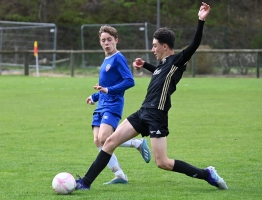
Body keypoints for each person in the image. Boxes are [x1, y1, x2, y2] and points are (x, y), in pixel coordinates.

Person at [75, 2, 228, 190]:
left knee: (162, 162)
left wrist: (200, 21)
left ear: (165, 46)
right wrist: (146, 65)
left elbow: (194, 45)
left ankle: (207, 174)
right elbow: (158, 74)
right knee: (109, 142)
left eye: (155, 46)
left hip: (157, 115)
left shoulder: (176, 61)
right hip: (143, 112)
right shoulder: (163, 65)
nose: (153, 49)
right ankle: (85, 183)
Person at [84, 25, 151, 185]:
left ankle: (137, 143)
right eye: (103, 40)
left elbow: (129, 81)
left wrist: (108, 90)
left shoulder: (118, 58)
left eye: (109, 40)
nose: (106, 43)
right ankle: (119, 175)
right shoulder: (105, 60)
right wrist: (95, 96)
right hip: (102, 104)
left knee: (105, 138)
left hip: (113, 104)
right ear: (100, 43)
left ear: (116, 40)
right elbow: (104, 85)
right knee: (97, 141)